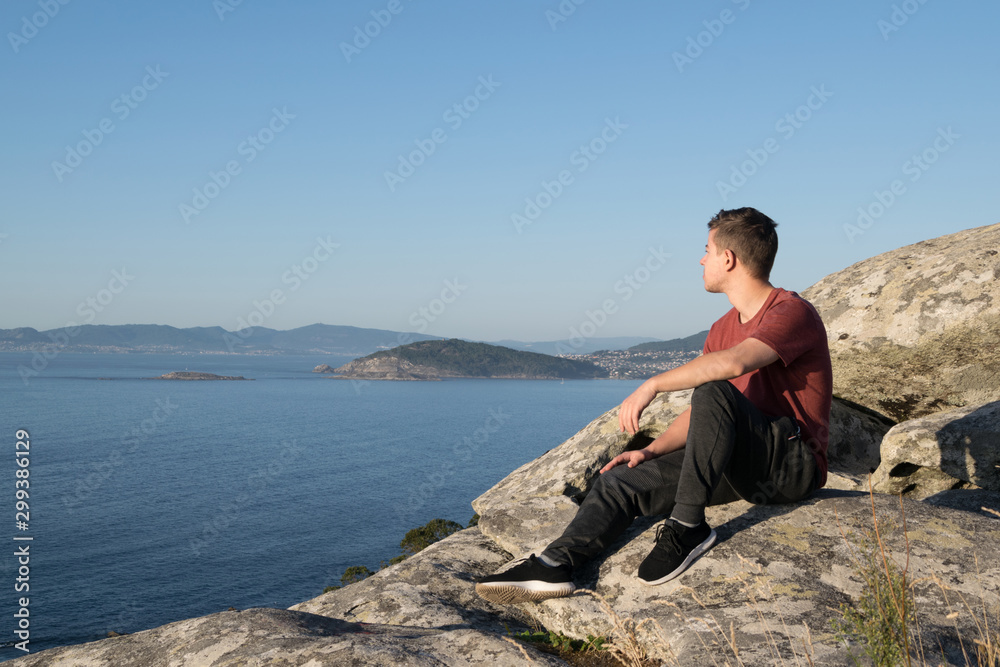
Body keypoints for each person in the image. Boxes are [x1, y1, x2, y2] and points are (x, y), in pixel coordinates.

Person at [475, 207, 833, 604]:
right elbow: (707, 417)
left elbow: (733, 366)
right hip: (738, 460)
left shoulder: (792, 311)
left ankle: (687, 526)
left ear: (728, 258)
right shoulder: (721, 329)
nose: (701, 259)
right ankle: (554, 565)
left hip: (791, 465)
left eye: (707, 250)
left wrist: (653, 385)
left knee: (713, 388)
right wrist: (648, 451)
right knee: (621, 479)